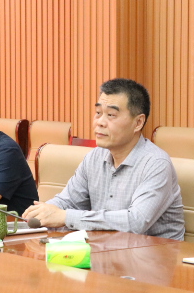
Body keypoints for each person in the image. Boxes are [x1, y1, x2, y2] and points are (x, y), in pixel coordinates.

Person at [23, 78, 184, 240]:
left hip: (155, 252)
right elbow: (68, 201)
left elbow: (136, 222)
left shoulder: (156, 164)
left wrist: (65, 217)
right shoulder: (95, 157)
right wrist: (45, 211)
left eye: (111, 115)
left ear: (138, 122)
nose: (100, 122)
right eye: (98, 113)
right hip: (106, 248)